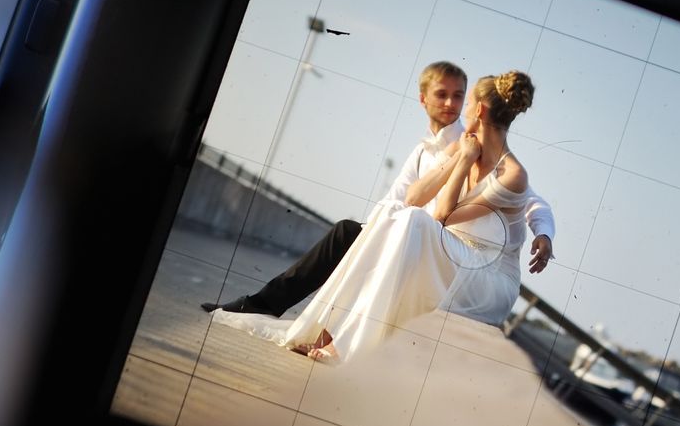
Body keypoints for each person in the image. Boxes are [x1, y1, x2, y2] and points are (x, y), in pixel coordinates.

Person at [211, 71, 537, 363]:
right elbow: (411, 197)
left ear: (478, 110)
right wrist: (458, 160)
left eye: (466, 104)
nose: (461, 110)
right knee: (395, 213)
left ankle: (344, 340)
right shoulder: (463, 145)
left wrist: (465, 162)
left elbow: (440, 215)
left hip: (487, 277)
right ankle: (330, 330)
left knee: (412, 222)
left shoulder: (512, 173)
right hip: (448, 251)